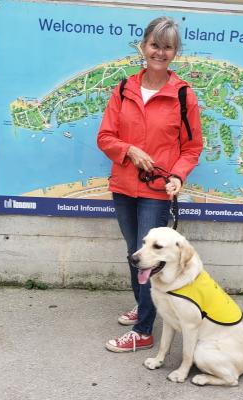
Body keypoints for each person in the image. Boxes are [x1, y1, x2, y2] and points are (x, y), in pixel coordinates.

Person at [96, 16, 203, 353]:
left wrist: (178, 175)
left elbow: (192, 147)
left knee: (152, 261)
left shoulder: (183, 94)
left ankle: (143, 330)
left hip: (157, 192)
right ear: (143, 47)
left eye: (167, 47)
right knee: (136, 255)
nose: (160, 52)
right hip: (124, 186)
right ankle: (145, 307)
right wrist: (127, 149)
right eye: (155, 45)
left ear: (175, 52)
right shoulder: (124, 88)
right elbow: (105, 137)